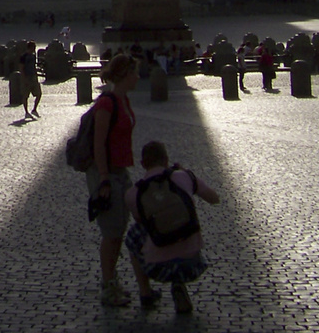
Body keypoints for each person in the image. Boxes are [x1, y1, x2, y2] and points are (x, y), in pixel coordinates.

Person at [87, 53, 153, 308]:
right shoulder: (107, 103)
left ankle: (113, 282)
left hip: (120, 171)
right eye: (135, 72)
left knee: (119, 227)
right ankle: (107, 286)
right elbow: (98, 143)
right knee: (112, 233)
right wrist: (103, 178)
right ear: (125, 74)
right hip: (106, 173)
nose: (138, 77)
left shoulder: (123, 99)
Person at [124, 140, 221, 314]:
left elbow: (142, 221)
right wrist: (186, 174)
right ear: (166, 159)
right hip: (193, 265)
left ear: (143, 164)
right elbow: (215, 199)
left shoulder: (134, 194)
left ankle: (145, 293)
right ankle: (179, 283)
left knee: (134, 234)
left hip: (158, 269)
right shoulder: (184, 177)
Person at [20, 44, 42, 119]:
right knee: (25, 96)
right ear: (30, 48)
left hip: (33, 77)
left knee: (39, 94)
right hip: (27, 78)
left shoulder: (33, 56)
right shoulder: (23, 56)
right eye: (33, 48)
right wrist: (24, 78)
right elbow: (21, 68)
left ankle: (34, 109)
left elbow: (33, 66)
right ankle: (26, 112)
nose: (34, 49)